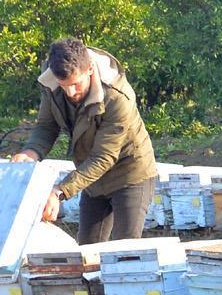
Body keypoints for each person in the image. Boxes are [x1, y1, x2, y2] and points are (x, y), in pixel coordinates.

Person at [9, 38, 159, 244]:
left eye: (75, 85)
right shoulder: (51, 79)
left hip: (129, 174)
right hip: (92, 180)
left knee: (125, 251)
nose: (70, 93)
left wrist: (59, 191)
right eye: (63, 86)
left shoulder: (117, 98)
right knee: (87, 250)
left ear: (89, 69)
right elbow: (46, 126)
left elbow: (104, 157)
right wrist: (30, 153)